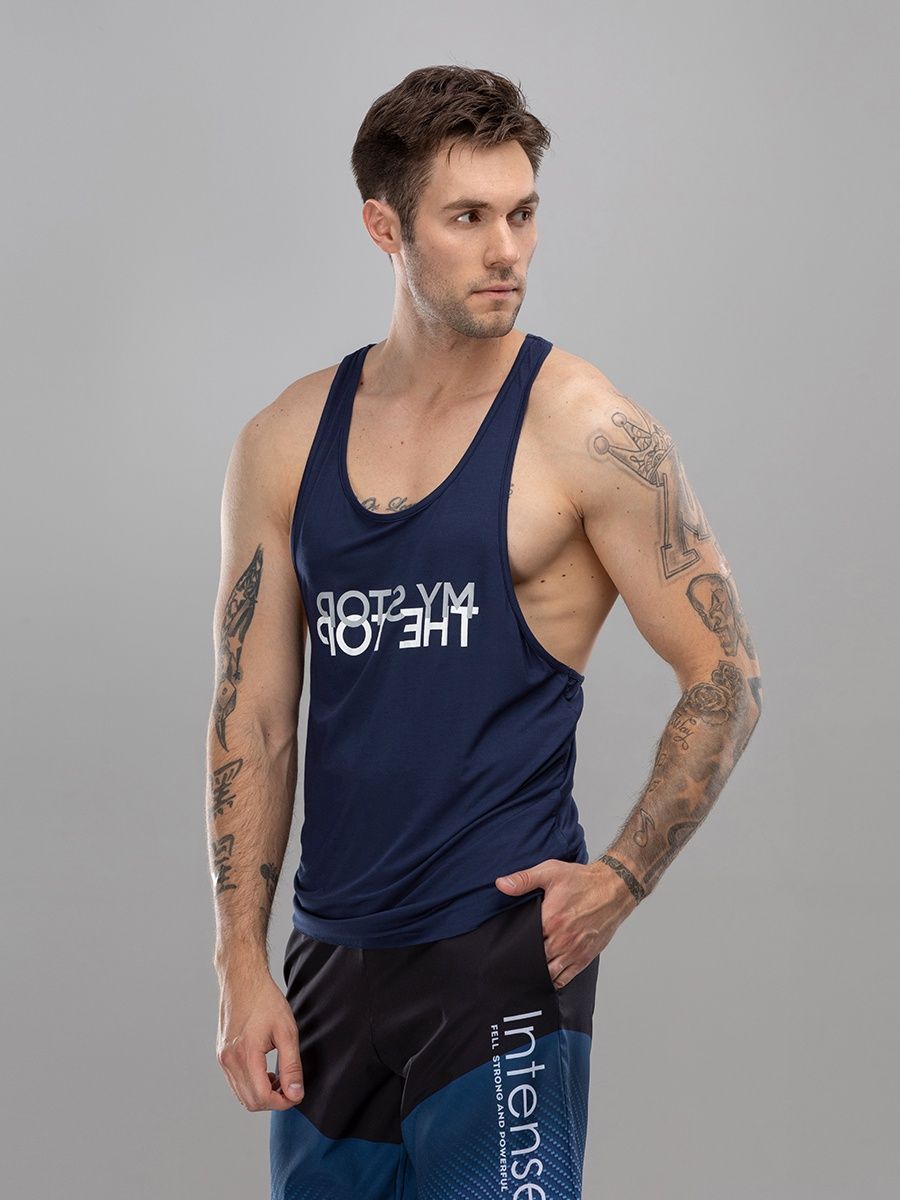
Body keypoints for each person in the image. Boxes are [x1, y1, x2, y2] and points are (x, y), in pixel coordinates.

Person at [207, 64, 763, 1200]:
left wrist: (621, 877)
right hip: (328, 964)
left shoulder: (587, 432)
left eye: (523, 213)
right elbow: (252, 722)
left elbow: (725, 677)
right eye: (468, 218)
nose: (507, 249)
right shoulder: (284, 441)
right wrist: (240, 962)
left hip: (497, 959)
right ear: (386, 227)